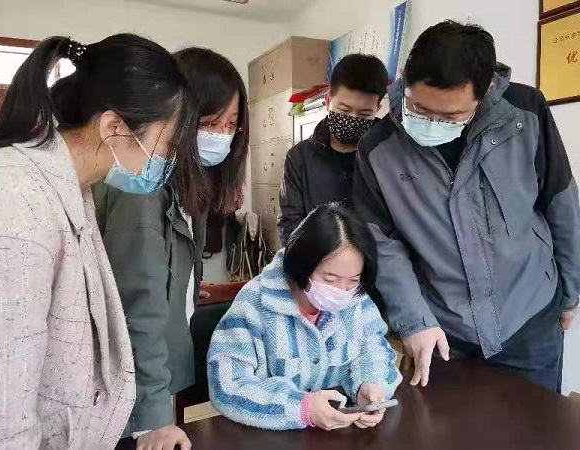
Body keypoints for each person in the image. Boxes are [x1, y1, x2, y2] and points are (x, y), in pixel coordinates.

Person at [0, 34, 203, 448]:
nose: (168, 162)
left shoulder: (72, 189)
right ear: (114, 127)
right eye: (167, 145)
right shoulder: (11, 197)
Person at [353, 21, 580, 393]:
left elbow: (561, 203)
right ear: (405, 78)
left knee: (535, 425)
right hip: (444, 332)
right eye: (419, 108)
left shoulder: (524, 113)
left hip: (530, 318)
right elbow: (384, 245)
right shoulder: (378, 149)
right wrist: (414, 321)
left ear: (486, 90)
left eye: (450, 117)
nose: (431, 124)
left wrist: (571, 293)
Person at [94, 47, 248, 450]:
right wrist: (155, 417)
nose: (221, 135)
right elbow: (136, 305)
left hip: (156, 376)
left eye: (231, 125)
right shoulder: (140, 185)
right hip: (130, 395)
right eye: (210, 122)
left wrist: (184, 286)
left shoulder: (185, 182)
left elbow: (157, 274)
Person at [208, 203, 402, 431]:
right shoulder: (254, 304)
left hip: (335, 435)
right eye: (330, 280)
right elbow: (227, 385)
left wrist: (367, 385)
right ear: (302, 265)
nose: (342, 291)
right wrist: (301, 408)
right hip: (267, 437)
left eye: (353, 280)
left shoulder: (356, 300)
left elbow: (374, 349)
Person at [278, 54, 388, 244]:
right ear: (328, 100)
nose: (352, 119)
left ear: (378, 108)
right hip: (317, 259)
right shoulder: (299, 158)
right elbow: (290, 226)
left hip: (377, 258)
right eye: (344, 110)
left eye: (364, 114)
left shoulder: (387, 154)